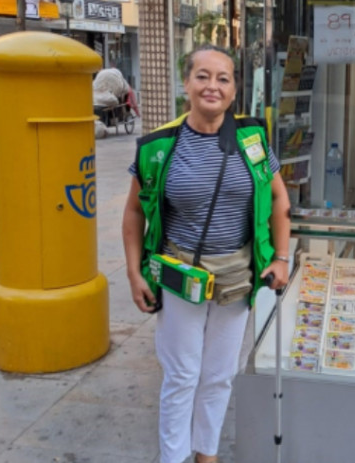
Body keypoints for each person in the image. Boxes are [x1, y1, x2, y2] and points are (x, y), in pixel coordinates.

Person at [122, 44, 291, 463]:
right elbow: (132, 212)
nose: (212, 86)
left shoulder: (253, 139)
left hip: (236, 278)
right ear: (186, 84)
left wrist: (281, 257)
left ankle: (206, 454)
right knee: (181, 376)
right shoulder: (158, 147)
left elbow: (280, 200)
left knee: (218, 376)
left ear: (234, 90)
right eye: (203, 76)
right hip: (182, 277)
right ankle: (174, 457)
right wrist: (133, 274)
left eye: (223, 78)